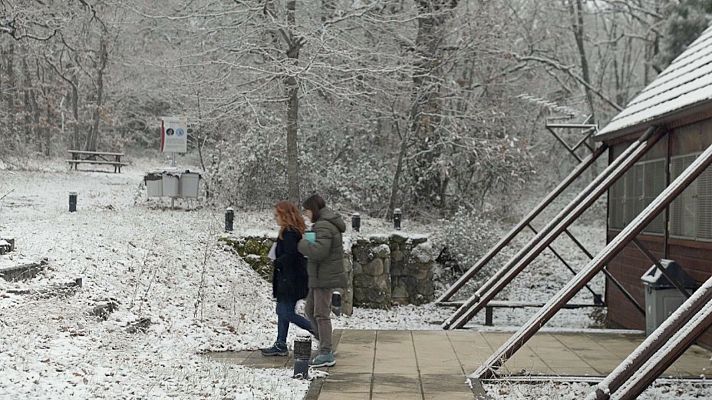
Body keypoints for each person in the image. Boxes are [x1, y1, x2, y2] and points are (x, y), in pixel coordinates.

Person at [297, 194, 346, 368]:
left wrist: (301, 243)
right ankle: (326, 345)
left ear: (314, 209)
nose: (305, 214)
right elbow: (319, 246)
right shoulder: (322, 225)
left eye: (307, 210)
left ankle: (326, 352)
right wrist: (310, 236)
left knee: (321, 314)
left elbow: (319, 252)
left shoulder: (324, 225)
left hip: (325, 278)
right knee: (310, 311)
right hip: (318, 277)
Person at [261, 201, 313, 357]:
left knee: (285, 312)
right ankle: (280, 343)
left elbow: (291, 255)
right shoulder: (290, 231)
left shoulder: (290, 233)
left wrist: (277, 262)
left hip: (290, 279)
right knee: (283, 311)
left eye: (277, 215)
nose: (275, 218)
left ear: (285, 216)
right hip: (289, 278)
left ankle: (317, 331)